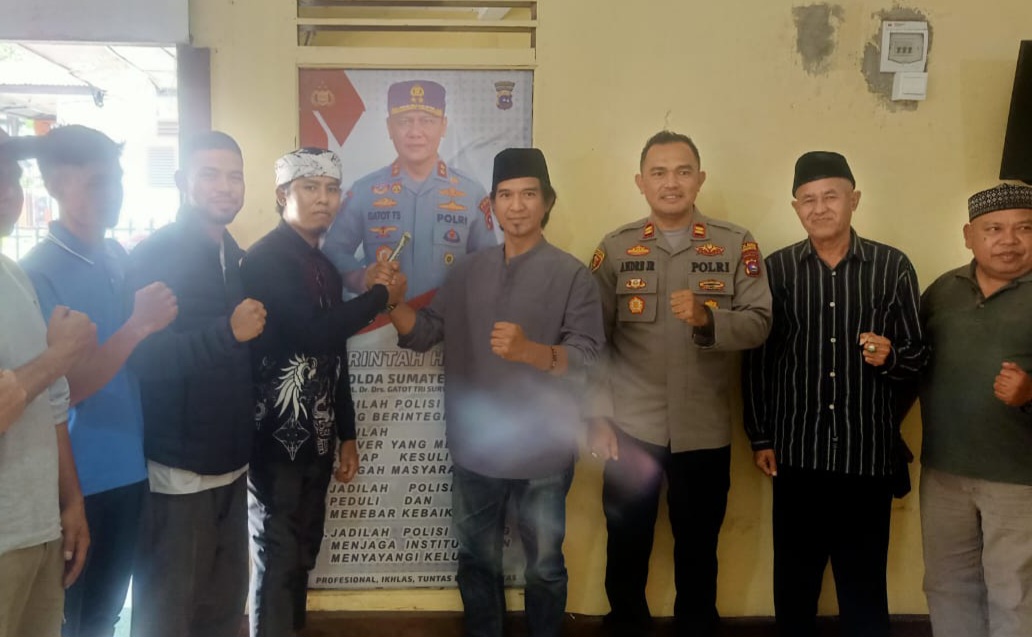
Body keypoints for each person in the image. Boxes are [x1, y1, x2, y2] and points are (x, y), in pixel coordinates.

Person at [388, 148, 604, 637]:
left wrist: (531, 351)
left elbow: (589, 356)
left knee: (544, 566)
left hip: (544, 451)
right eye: (506, 195)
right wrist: (393, 303)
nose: (517, 206)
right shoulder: (466, 272)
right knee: (475, 561)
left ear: (547, 202)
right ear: (491, 206)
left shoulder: (572, 275)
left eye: (529, 194)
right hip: (476, 449)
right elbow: (425, 333)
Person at [587, 130, 773, 637]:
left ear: (700, 178)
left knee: (699, 548)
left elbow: (759, 323)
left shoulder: (735, 243)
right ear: (640, 182)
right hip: (631, 428)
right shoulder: (615, 248)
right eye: (659, 172)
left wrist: (709, 318)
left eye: (683, 171)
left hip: (703, 429)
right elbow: (592, 341)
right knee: (627, 544)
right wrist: (597, 417)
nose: (671, 183)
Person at [742, 151, 928, 637]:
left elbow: (919, 357)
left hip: (866, 454)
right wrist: (760, 436)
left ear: (854, 200)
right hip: (796, 454)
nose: (820, 208)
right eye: (808, 199)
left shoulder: (892, 267)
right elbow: (758, 360)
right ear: (796, 207)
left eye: (831, 196)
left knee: (863, 588)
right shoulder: (777, 270)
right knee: (794, 585)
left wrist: (890, 356)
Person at [19, 125, 179, 637]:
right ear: (55, 187)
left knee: (105, 618)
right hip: (75, 480)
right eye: (96, 183)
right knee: (70, 621)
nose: (113, 193)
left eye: (117, 179)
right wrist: (137, 326)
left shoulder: (116, 257)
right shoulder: (36, 273)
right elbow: (64, 389)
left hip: (130, 468)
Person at [242, 147, 404, 637]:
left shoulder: (324, 267)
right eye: (309, 188)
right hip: (275, 439)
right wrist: (381, 298)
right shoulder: (266, 259)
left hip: (317, 436)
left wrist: (347, 434)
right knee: (279, 553)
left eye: (331, 189)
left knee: (302, 552)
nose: (323, 199)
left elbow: (336, 352)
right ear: (282, 195)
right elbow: (313, 333)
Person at [127, 131, 266, 637]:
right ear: (182, 181)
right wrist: (227, 333)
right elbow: (146, 359)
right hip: (178, 471)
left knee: (222, 611)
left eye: (234, 176)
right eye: (210, 174)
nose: (225, 186)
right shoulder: (156, 255)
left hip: (231, 465)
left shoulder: (235, 256)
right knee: (167, 616)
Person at [919, 183, 1032, 637]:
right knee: (947, 586)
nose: (1009, 241)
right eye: (994, 229)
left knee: (1015, 593)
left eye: (1025, 229)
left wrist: (1030, 392)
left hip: (1019, 478)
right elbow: (912, 363)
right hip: (943, 474)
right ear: (969, 236)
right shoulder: (942, 291)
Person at [0, 130, 98, 637]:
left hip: (40, 529)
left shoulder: (12, 275)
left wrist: (70, 502)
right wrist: (60, 354)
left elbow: (52, 404)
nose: (7, 190)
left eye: (12, 177)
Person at [322, 79, 497, 300]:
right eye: (404, 121)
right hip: (383, 318)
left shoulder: (471, 193)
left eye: (427, 121)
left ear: (443, 126)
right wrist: (363, 277)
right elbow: (332, 253)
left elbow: (488, 266)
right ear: (389, 127)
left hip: (449, 319)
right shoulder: (364, 192)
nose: (415, 132)